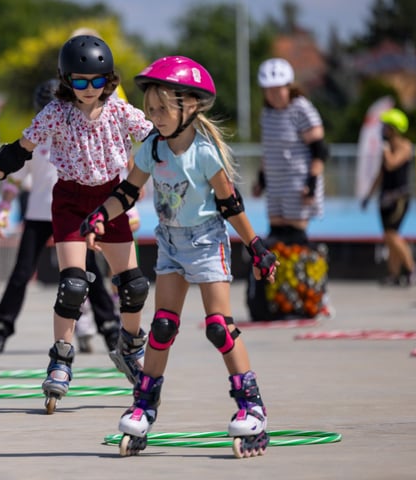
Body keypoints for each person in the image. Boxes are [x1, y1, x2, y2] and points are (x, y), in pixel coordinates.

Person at [81, 56, 278, 458]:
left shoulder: (205, 153)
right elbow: (128, 192)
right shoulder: (153, 147)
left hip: (207, 242)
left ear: (190, 107)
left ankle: (251, 407)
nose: (155, 117)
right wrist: (101, 214)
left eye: (162, 110)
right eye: (151, 110)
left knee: (219, 326)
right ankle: (144, 406)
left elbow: (231, 205)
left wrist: (256, 246)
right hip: (170, 242)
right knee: (163, 327)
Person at [0, 35, 154, 414]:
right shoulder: (55, 112)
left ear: (109, 80)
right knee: (73, 284)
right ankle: (61, 359)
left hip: (113, 199)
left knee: (133, 286)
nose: (88, 90)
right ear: (66, 80)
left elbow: (158, 144)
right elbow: (17, 151)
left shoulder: (121, 112)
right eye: (79, 81)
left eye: (96, 81)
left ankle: (130, 349)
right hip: (70, 201)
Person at [0, 79, 122, 370]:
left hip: (73, 216)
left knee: (90, 273)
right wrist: (3, 211)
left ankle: (109, 326)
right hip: (38, 216)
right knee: (21, 274)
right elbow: (15, 181)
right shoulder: (33, 141)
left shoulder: (79, 135)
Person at [250, 57, 331, 320]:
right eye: (269, 90)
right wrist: (261, 179)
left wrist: (312, 182)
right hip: (276, 183)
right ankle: (280, 294)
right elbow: (269, 149)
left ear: (289, 86)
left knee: (296, 236)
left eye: (279, 89)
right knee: (276, 235)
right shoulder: (268, 113)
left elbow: (320, 148)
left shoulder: (301, 109)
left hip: (299, 182)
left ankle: (312, 292)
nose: (274, 95)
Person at [361, 108, 416, 286]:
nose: (383, 130)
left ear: (394, 128)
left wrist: (385, 151)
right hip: (385, 199)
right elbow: (381, 173)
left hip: (399, 199)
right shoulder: (387, 149)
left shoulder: (404, 146)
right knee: (388, 237)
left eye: (387, 126)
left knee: (392, 235)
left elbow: (392, 164)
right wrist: (368, 196)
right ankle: (394, 274)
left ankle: (410, 270)